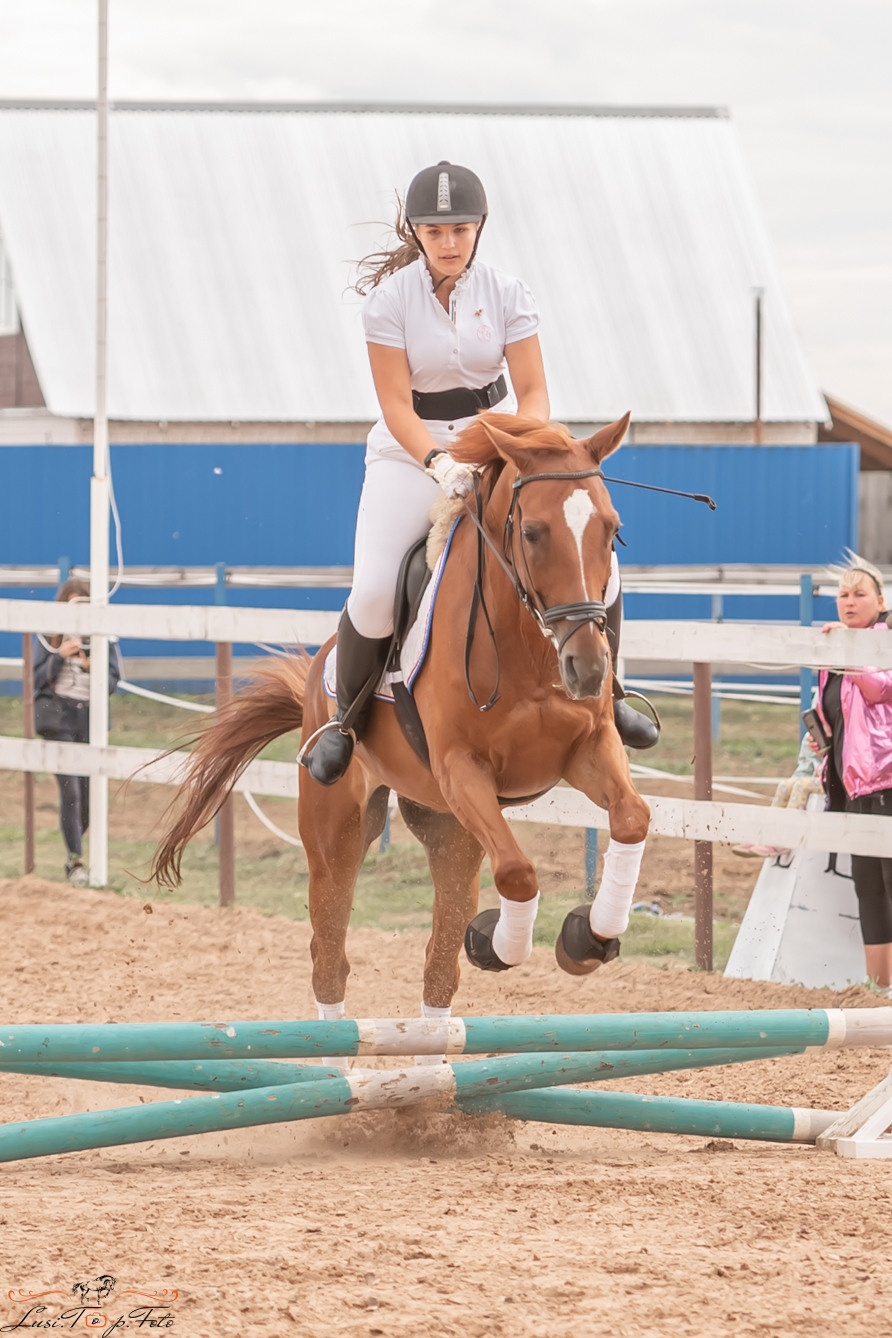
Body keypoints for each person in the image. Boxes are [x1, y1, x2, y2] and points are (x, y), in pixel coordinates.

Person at [303, 159, 658, 786]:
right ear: (417, 233)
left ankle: (611, 693)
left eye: (460, 230)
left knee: (595, 561)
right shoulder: (389, 302)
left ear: (479, 228)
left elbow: (534, 392)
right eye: (435, 232)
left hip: (498, 443)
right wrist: (439, 463)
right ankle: (346, 722)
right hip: (408, 454)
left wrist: (521, 448)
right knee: (377, 592)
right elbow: (396, 404)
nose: (448, 243)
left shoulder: (508, 294)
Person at [815, 552, 892, 993]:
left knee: (889, 880)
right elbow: (833, 710)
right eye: (843, 594)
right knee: (867, 885)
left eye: (859, 594)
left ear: (880, 602)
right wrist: (823, 740)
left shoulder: (884, 640)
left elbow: (881, 689)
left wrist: (848, 647)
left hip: (887, 779)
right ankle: (879, 989)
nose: (848, 601)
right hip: (855, 784)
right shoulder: (834, 650)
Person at [32, 578, 121, 887]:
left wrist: (93, 668)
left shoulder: (104, 637)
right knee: (70, 792)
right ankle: (76, 860)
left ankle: (74, 853)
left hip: (90, 719)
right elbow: (36, 680)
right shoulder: (49, 635)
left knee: (89, 796)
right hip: (58, 719)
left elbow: (113, 681)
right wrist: (59, 657)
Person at [732, 728, 824, 859]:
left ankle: (787, 838)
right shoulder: (812, 736)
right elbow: (804, 770)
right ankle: (768, 835)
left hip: (838, 782)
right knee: (785, 785)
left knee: (801, 786)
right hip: (818, 779)